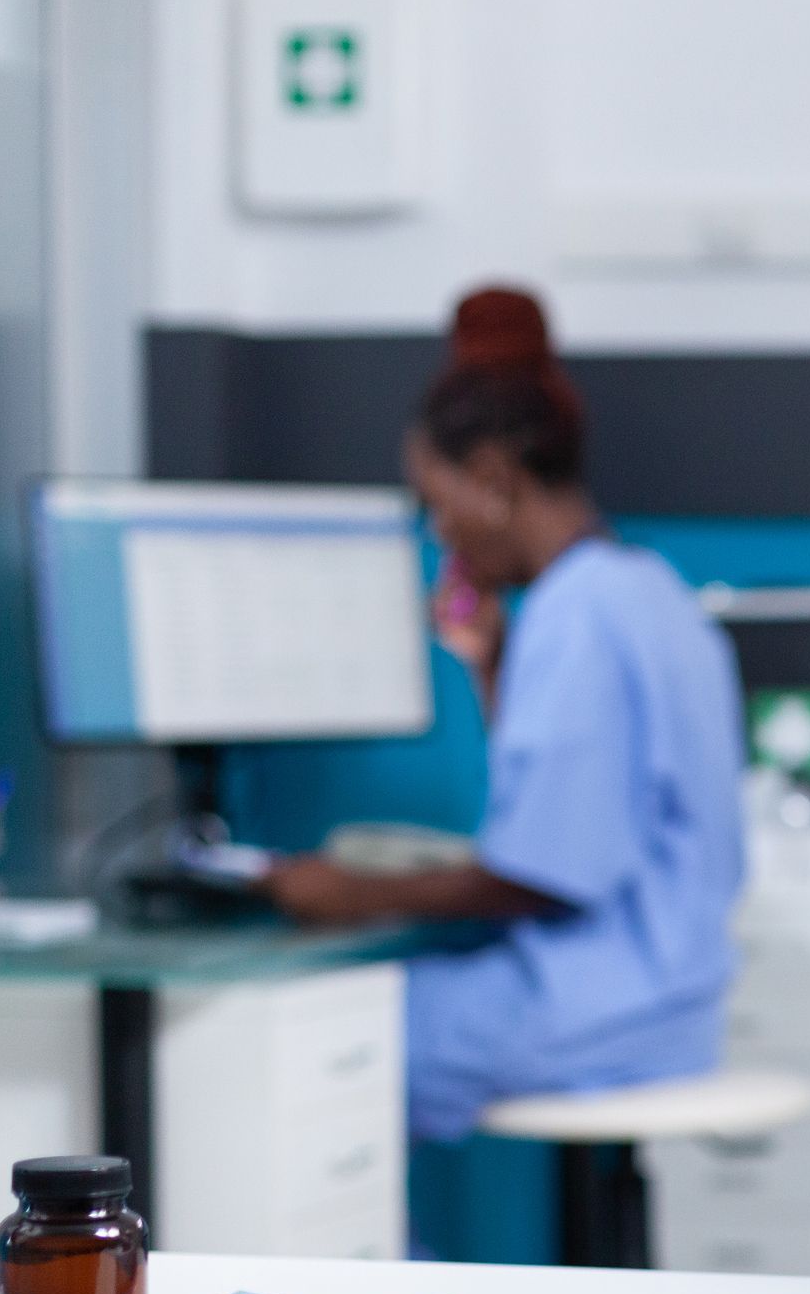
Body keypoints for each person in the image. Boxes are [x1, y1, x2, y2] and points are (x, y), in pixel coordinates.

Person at [266, 286, 746, 1144]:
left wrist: (349, 891)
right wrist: (490, 662)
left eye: (438, 502)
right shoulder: (648, 589)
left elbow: (545, 875)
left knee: (308, 1048)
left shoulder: (573, 615)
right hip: (675, 995)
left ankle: (367, 1281)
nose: (440, 532)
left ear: (492, 482)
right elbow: (583, 817)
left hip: (598, 1005)